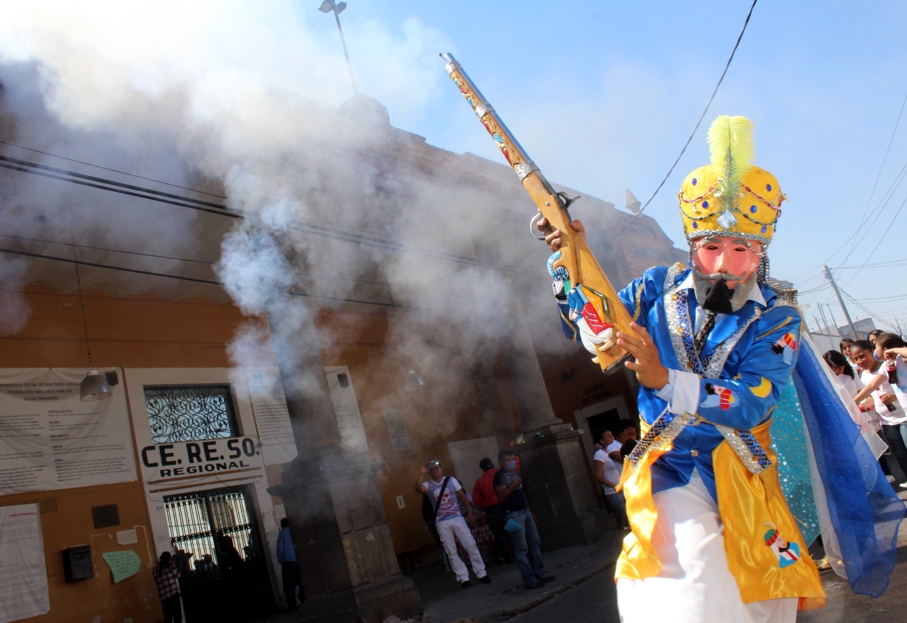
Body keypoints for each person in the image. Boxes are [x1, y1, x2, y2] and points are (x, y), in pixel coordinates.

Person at [542, 116, 825, 621]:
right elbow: (600, 328)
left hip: (740, 467)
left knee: (763, 593)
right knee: (684, 581)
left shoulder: (778, 318)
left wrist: (664, 379)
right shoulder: (656, 286)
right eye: (712, 247)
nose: (724, 264)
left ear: (759, 252)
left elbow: (754, 397)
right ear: (694, 246)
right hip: (670, 462)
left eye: (741, 250)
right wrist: (569, 259)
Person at [415, 459, 489, 587]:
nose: (435, 471)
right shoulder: (428, 485)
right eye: (432, 469)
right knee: (451, 550)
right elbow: (418, 488)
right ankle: (463, 578)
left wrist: (469, 514)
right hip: (441, 522)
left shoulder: (451, 481)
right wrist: (421, 474)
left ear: (442, 469)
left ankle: (481, 573)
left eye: (437, 468)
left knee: (470, 545)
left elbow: (463, 498)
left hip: (457, 517)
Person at [850, 339, 907, 486]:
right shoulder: (864, 375)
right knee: (900, 454)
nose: (860, 361)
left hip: (902, 416)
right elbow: (870, 392)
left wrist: (892, 397)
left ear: (872, 351)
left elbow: (900, 387)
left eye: (862, 356)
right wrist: (856, 404)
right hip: (886, 420)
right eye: (856, 359)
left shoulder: (888, 365)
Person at [493, 449, 553, 589]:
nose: (512, 462)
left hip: (524, 512)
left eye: (513, 459)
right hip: (513, 514)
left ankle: (540, 574)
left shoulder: (514, 473)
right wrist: (514, 484)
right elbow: (501, 496)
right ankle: (529, 579)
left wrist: (529, 510)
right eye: (509, 460)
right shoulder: (500, 476)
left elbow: (522, 493)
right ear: (502, 462)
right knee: (521, 548)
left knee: (534, 543)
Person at [472, 457, 514, 563]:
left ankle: (508, 556)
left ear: (482, 468)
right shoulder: (501, 473)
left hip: (490, 510)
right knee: (511, 530)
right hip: (505, 505)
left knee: (498, 533)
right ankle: (517, 551)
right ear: (492, 464)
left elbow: (476, 499)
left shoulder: (480, 481)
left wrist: (483, 507)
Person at [593, 430, 628, 529]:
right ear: (601, 441)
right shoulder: (599, 454)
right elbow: (598, 476)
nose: (612, 438)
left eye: (612, 435)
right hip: (613, 492)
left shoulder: (616, 449)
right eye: (608, 436)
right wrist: (615, 486)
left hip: (624, 488)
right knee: (628, 513)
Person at [276, 518, 302, 612]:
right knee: (301, 582)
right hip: (298, 561)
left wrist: (281, 560)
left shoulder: (282, 534)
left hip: (288, 563)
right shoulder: (295, 531)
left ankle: (292, 605)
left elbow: (280, 549)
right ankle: (303, 601)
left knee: (289, 585)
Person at [152, 551, 182, 623]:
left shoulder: (155, 569)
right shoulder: (169, 565)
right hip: (173, 595)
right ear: (169, 558)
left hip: (164, 598)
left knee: (168, 618)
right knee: (177, 617)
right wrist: (174, 564)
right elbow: (178, 575)